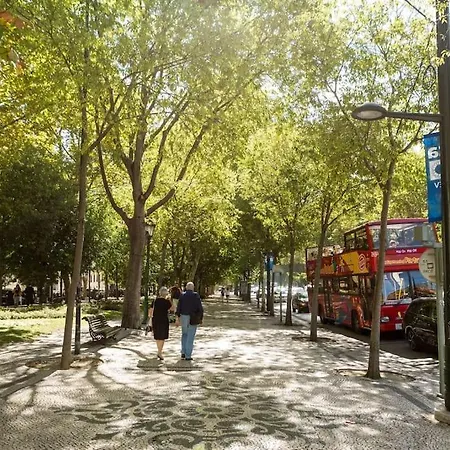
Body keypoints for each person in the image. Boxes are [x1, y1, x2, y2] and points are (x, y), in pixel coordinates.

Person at [175, 281, 203, 361]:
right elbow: (200, 308)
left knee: (184, 334)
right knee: (190, 336)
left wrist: (177, 318)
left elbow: (178, 307)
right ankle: (188, 355)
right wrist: (200, 318)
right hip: (193, 318)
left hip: (184, 317)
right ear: (193, 288)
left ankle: (183, 352)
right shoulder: (196, 296)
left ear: (186, 288)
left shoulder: (182, 295)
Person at [148, 286, 173, 361]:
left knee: (157, 336)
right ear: (166, 294)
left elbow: (150, 310)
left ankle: (159, 351)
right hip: (164, 320)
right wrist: (170, 300)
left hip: (156, 319)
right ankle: (159, 351)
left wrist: (150, 316)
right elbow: (173, 309)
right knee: (162, 337)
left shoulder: (155, 301)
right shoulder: (167, 302)